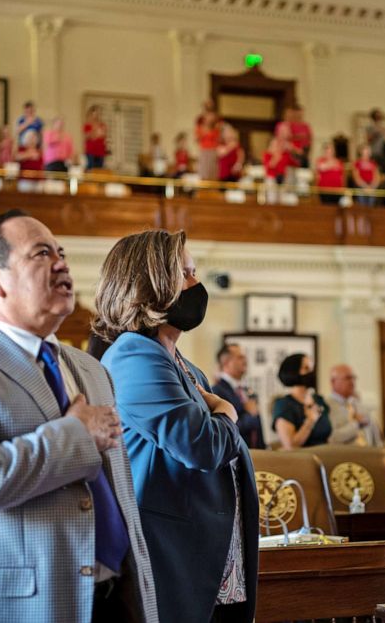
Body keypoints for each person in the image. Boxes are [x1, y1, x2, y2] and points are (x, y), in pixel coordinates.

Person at [0, 211, 157, 623]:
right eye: (41, 253)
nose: (62, 263)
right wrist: (76, 434)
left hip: (114, 599)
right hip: (21, 605)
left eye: (61, 252)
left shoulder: (91, 369)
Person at [93, 229, 257, 623]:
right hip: (171, 554)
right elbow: (200, 445)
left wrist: (219, 412)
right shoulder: (135, 356)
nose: (196, 284)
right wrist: (228, 411)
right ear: (149, 284)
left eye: (194, 271)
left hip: (213, 553)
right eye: (185, 274)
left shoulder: (184, 364)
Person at [273, 353, 332, 449]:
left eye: (312, 368)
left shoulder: (319, 400)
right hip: (302, 460)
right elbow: (290, 446)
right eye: (306, 368)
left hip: (325, 457)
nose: (311, 373)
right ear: (293, 372)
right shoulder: (284, 405)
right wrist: (310, 421)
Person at [212, 344, 265, 449]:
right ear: (226, 362)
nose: (245, 360)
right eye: (240, 357)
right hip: (235, 456)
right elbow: (224, 430)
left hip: (257, 456)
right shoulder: (216, 392)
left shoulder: (248, 391)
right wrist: (250, 415)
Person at [328, 364, 381, 446]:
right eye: (347, 378)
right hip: (345, 456)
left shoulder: (358, 404)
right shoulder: (327, 406)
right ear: (333, 382)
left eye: (354, 378)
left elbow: (374, 436)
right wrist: (356, 424)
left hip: (369, 454)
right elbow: (332, 437)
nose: (352, 382)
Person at [83, 105, 108, 170]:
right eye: (94, 113)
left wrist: (95, 134)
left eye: (98, 113)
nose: (96, 115)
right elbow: (88, 136)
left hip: (100, 151)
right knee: (90, 169)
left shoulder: (102, 125)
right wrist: (95, 132)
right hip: (91, 151)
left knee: (99, 169)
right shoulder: (87, 125)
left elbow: (103, 135)